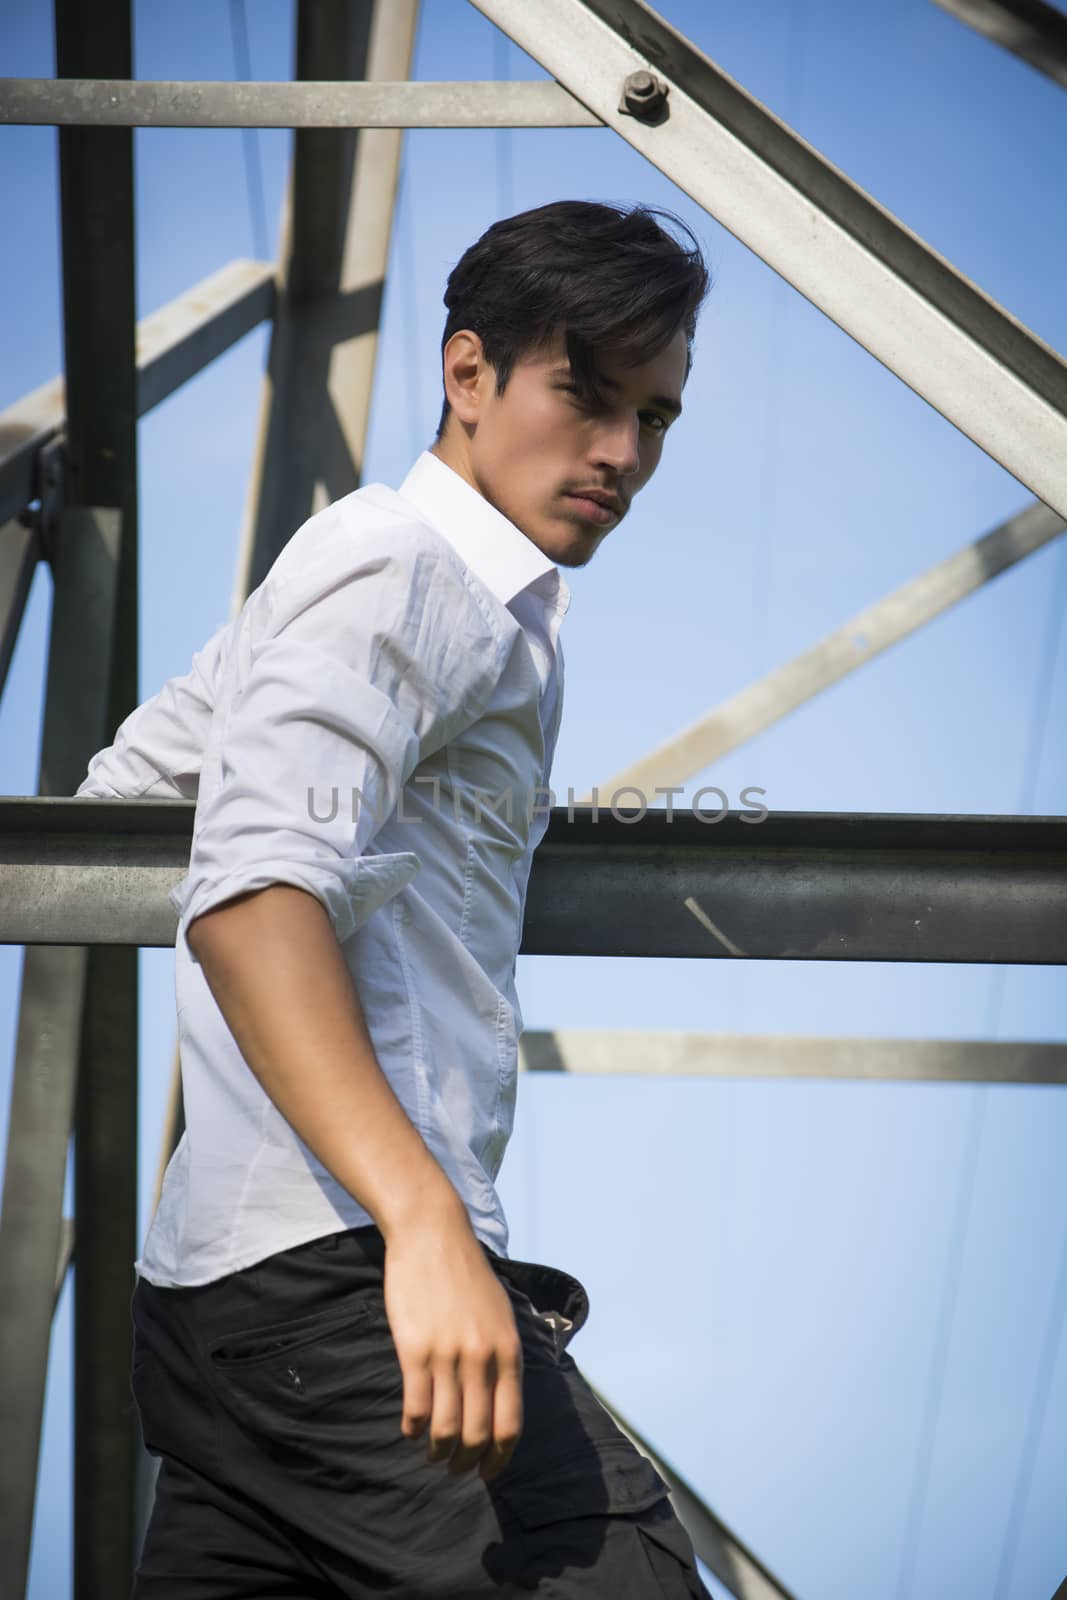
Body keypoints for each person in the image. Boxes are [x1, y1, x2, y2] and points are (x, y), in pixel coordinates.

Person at [78, 198, 713, 1597]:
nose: (620, 452)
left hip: (238, 1327)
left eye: (656, 420)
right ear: (467, 373)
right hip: (346, 1273)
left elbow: (127, 800)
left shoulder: (434, 597)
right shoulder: (400, 566)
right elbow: (249, 895)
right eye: (586, 395)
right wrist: (424, 1228)